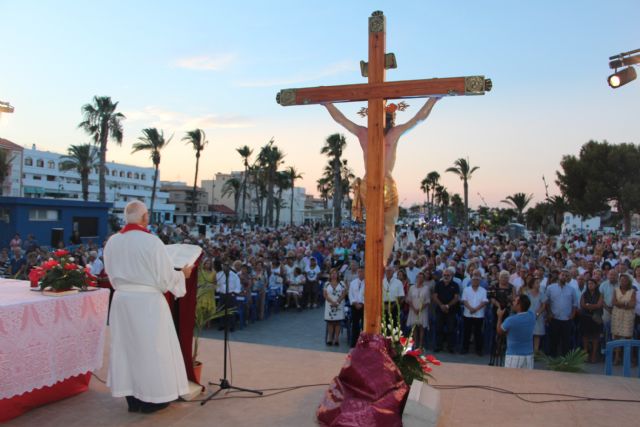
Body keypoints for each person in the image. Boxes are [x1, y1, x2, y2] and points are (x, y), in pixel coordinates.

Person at [323, 97, 440, 264]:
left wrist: (327, 103)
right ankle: (382, 262)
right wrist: (433, 100)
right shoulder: (394, 133)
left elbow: (341, 120)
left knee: (373, 226)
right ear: (391, 118)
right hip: (386, 183)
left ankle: (373, 261)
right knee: (389, 228)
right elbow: (419, 118)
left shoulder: (363, 133)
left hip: (367, 184)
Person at [104, 200, 194, 413]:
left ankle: (132, 399)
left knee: (127, 348)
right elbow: (164, 278)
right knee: (153, 350)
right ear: (145, 218)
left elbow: (109, 271)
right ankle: (153, 398)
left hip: (122, 301)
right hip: (147, 303)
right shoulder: (151, 242)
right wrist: (182, 275)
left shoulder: (112, 241)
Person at [496, 294, 536, 369]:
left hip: (513, 356)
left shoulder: (511, 320)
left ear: (519, 305)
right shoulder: (532, 316)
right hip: (529, 356)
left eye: (514, 301)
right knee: (528, 380)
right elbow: (526, 308)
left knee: (511, 379)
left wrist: (499, 316)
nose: (512, 303)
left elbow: (499, 331)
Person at [545, 269, 579, 357]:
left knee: (566, 341)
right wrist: (549, 313)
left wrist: (573, 314)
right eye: (563, 275)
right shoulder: (550, 288)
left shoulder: (572, 289)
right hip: (554, 318)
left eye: (566, 276)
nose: (564, 277)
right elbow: (547, 302)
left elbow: (575, 303)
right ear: (559, 275)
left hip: (567, 319)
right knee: (553, 340)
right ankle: (553, 359)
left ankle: (565, 360)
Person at [433, 267, 460, 353]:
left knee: (451, 329)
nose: (446, 276)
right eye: (444, 275)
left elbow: (456, 298)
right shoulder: (438, 284)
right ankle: (438, 346)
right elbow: (434, 296)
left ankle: (450, 347)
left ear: (451, 276)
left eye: (448, 275)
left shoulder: (455, 285)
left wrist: (447, 306)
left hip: (451, 311)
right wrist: (441, 305)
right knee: (438, 328)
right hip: (439, 310)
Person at [461, 271, 488, 356]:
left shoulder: (483, 290)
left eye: (477, 280)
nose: (475, 281)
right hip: (467, 314)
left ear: (479, 281)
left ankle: (478, 350)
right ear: (471, 280)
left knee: (478, 333)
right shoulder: (466, 289)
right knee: (467, 332)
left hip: (479, 315)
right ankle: (465, 348)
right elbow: (464, 300)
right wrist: (470, 308)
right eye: (474, 280)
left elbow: (484, 302)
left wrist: (475, 309)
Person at [611, 273, 636, 364]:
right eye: (621, 280)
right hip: (617, 315)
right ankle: (617, 358)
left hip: (628, 316)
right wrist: (625, 304)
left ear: (628, 281)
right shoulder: (616, 290)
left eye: (625, 280)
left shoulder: (632, 291)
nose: (623, 282)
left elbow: (632, 304)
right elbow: (614, 302)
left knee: (628, 336)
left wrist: (620, 304)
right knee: (616, 336)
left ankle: (628, 359)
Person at [579, 278, 603, 363]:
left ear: (596, 285)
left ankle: (593, 355)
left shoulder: (599, 294)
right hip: (585, 317)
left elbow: (599, 305)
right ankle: (585, 353)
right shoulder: (584, 294)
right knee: (585, 336)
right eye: (588, 284)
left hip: (595, 318)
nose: (590, 285)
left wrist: (589, 306)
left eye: (592, 284)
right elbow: (582, 304)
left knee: (595, 337)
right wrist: (591, 306)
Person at [407, 271, 431, 349]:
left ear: (424, 279)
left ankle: (420, 344)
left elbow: (428, 301)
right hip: (413, 309)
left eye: (421, 277)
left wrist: (420, 309)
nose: (419, 279)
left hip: (422, 310)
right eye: (418, 277)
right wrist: (414, 309)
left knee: (421, 327)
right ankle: (415, 343)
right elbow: (409, 299)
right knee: (414, 327)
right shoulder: (412, 287)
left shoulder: (426, 288)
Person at [324, 268, 347, 346]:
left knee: (338, 322)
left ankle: (336, 338)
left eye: (335, 273)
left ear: (338, 275)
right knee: (330, 322)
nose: (334, 275)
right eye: (332, 273)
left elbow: (344, 293)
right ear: (330, 275)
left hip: (339, 304)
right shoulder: (326, 283)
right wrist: (332, 302)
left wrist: (337, 301)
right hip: (329, 305)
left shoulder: (342, 283)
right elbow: (325, 295)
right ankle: (330, 338)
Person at [349, 267, 365, 347]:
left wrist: (362, 304)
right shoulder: (353, 283)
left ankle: (364, 343)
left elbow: (368, 295)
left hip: (364, 306)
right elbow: (350, 294)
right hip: (354, 306)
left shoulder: (368, 283)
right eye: (359, 272)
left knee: (364, 325)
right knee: (355, 325)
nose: (360, 273)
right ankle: (354, 344)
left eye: (362, 271)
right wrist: (355, 303)